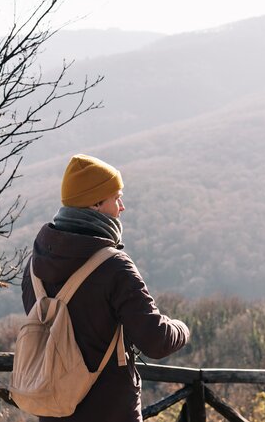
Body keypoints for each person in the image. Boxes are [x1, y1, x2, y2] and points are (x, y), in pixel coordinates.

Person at [21, 154, 190, 422]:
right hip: (110, 410)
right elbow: (156, 341)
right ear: (96, 204)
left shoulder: (34, 267)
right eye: (116, 197)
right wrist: (182, 328)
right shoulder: (114, 266)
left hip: (53, 409)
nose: (121, 206)